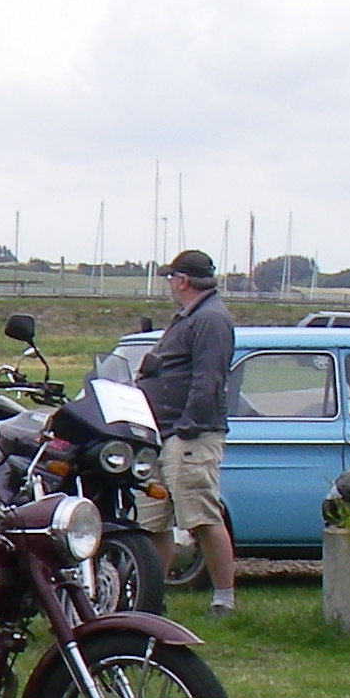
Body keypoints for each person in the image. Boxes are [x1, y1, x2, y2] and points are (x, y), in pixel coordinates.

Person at [137, 247, 238, 615]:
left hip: (190, 435)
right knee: (153, 522)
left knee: (201, 516)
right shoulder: (189, 317)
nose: (169, 284)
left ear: (182, 281)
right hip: (162, 434)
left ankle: (223, 598)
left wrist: (186, 427)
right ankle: (149, 599)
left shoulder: (210, 319)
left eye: (171, 278)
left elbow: (209, 378)